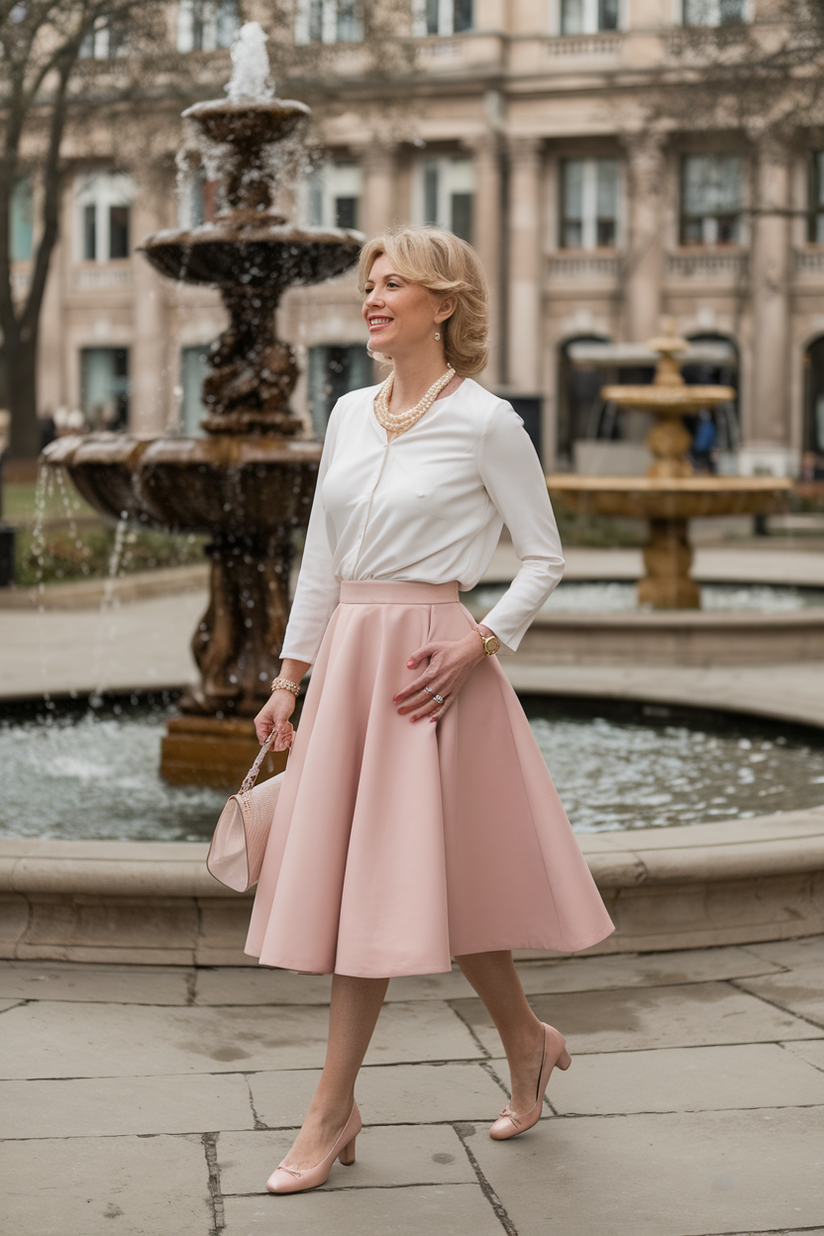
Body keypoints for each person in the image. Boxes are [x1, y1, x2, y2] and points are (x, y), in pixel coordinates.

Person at [246, 225, 614, 1195]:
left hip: (430, 673)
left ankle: (330, 1110)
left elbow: (542, 557)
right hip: (352, 668)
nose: (372, 297)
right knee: (417, 891)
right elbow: (322, 562)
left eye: (393, 283)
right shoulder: (348, 415)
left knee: (384, 892)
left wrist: (476, 640)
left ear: (444, 304)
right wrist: (289, 681)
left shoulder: (488, 422)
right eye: (369, 283)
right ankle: (525, 1041)